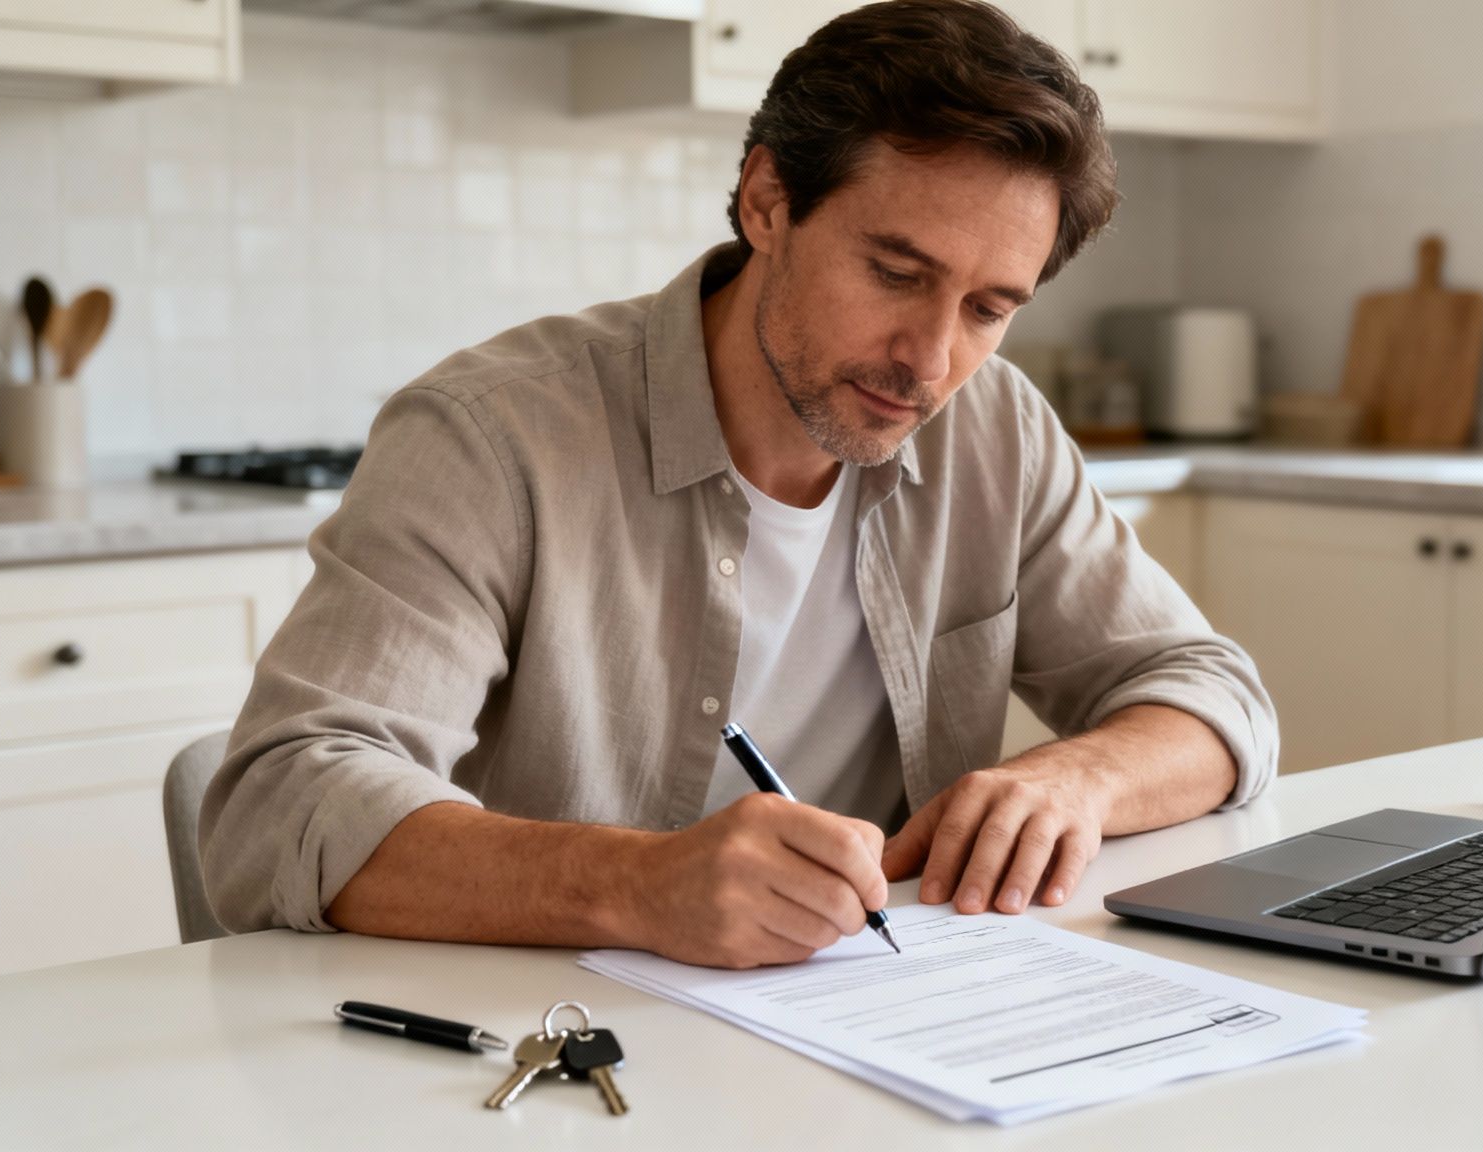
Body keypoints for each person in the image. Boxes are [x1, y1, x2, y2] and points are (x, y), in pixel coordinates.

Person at [200, 0, 1275, 970]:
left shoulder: (994, 429)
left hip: (872, 1024)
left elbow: (1213, 698)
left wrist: (1072, 780)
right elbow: (280, 803)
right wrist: (637, 885)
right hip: (541, 1048)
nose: (930, 360)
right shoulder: (492, 437)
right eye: (895, 275)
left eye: (989, 309)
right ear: (767, 202)